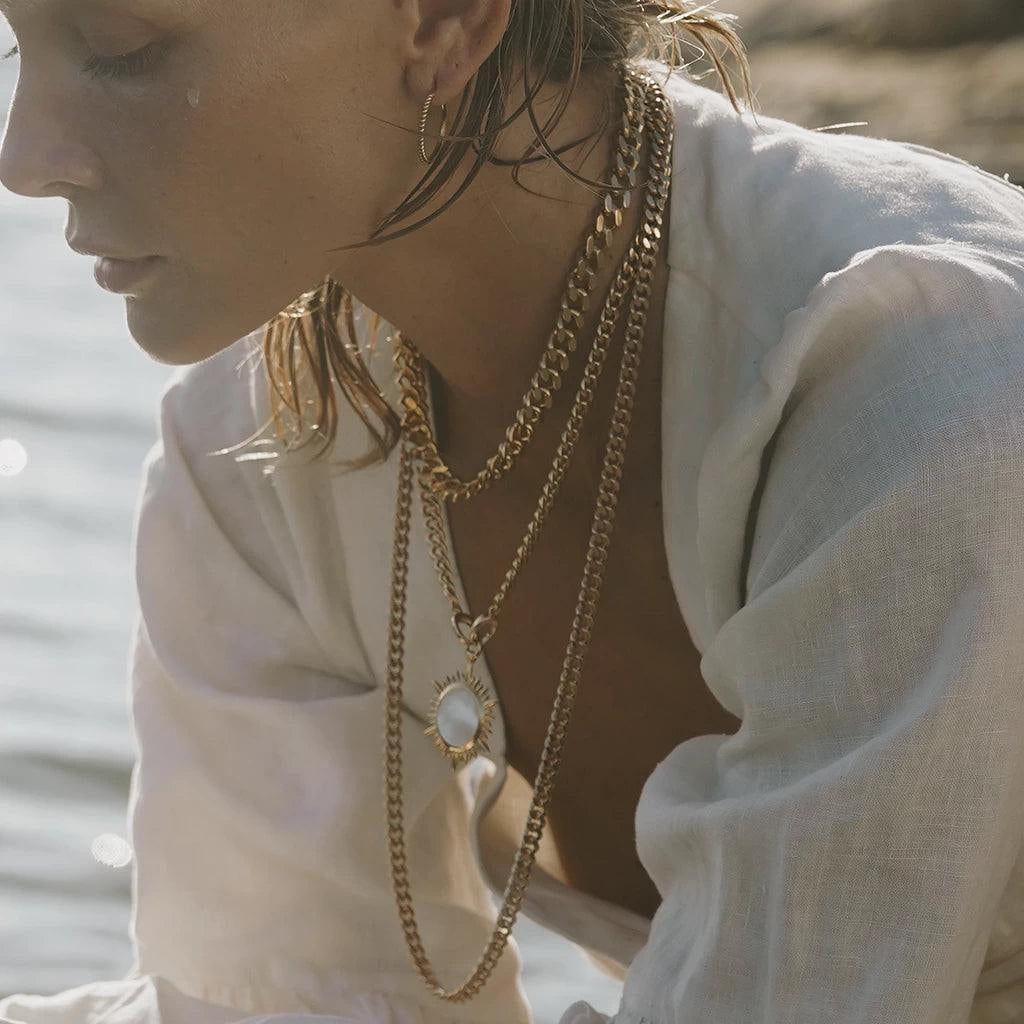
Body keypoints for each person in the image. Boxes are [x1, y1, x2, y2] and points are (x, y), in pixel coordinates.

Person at [1, 1, 1023, 1022]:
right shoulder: (270, 439)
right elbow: (273, 1003)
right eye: (14, 44)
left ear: (443, 20)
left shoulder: (914, 378)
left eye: (119, 51)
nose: (23, 154)